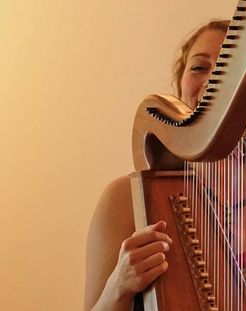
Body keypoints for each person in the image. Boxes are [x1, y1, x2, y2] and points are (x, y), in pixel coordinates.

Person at [84, 20, 232, 311]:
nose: (213, 78)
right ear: (180, 87)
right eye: (200, 67)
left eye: (228, 68)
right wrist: (118, 287)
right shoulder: (125, 199)